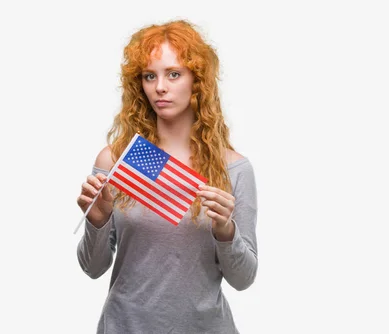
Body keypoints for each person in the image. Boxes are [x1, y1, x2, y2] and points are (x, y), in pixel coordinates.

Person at [76, 19, 258, 334]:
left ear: (197, 81)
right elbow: (93, 268)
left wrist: (226, 230)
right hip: (125, 326)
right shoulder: (118, 160)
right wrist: (98, 219)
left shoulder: (234, 169)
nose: (160, 87)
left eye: (173, 74)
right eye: (150, 76)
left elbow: (243, 279)